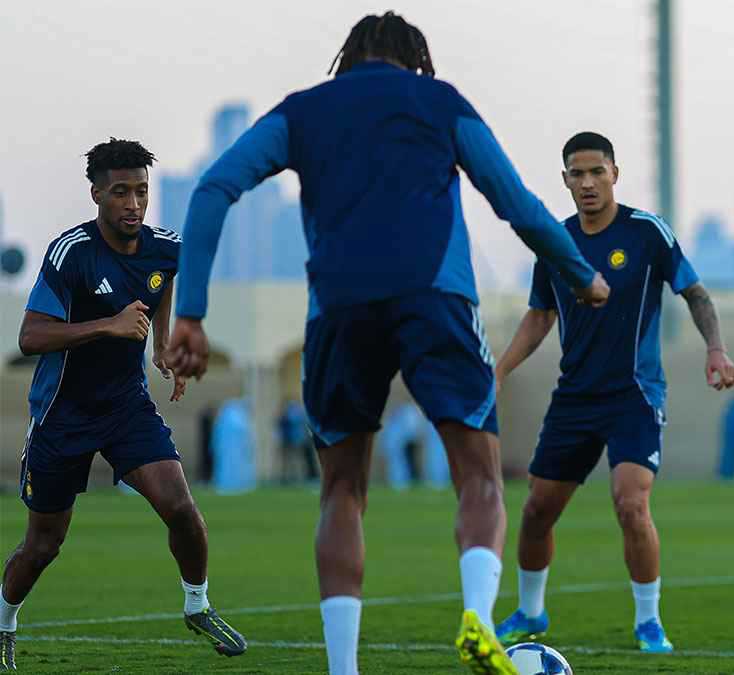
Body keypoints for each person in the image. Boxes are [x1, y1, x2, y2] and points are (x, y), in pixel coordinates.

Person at [164, 12, 608, 675]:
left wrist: (192, 313)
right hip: (437, 297)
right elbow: (515, 203)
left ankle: (344, 669)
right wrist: (582, 275)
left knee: (341, 489)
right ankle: (479, 619)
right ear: (415, 61)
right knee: (479, 475)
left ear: (351, 57)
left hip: (338, 309)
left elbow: (213, 188)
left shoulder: (304, 110)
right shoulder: (439, 101)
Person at [0, 139, 246, 671]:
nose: (133, 203)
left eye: (141, 191)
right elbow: (30, 336)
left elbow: (162, 285)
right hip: (62, 415)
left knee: (181, 507)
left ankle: (197, 606)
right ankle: (4, 623)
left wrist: (162, 345)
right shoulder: (72, 253)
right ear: (96, 195)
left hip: (125, 408)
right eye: (120, 192)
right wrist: (107, 326)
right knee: (42, 547)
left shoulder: (165, 248)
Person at [492, 132, 734, 654]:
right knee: (537, 510)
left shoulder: (647, 233)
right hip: (574, 399)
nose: (587, 183)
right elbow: (539, 316)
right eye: (576, 174)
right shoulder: (554, 242)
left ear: (614, 174)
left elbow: (694, 292)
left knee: (630, 502)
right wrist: (499, 371)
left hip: (635, 396)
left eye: (596, 172)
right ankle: (531, 612)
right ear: (564, 181)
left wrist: (715, 349)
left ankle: (648, 621)